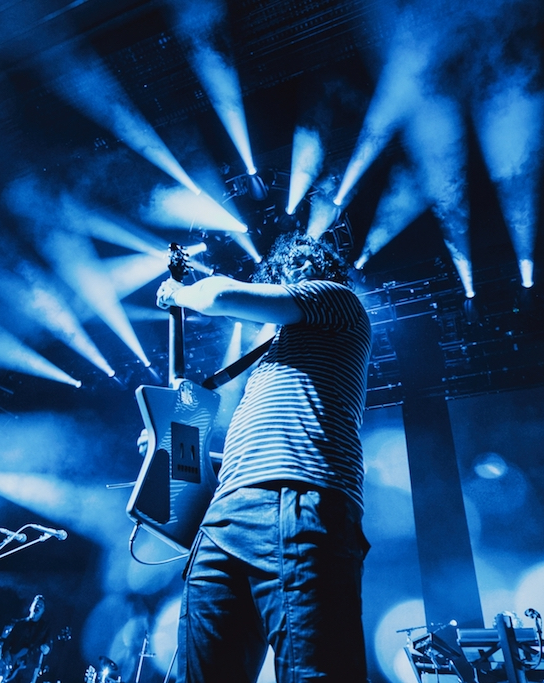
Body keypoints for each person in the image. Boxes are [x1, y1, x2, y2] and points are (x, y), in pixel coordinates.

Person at [155, 231, 373, 683]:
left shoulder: (337, 300)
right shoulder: (274, 353)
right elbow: (246, 454)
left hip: (299, 497)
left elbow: (217, 296)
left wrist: (177, 291)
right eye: (288, 266)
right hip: (226, 516)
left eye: (305, 263)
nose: (296, 270)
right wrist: (178, 450)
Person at [0, 595, 50, 683]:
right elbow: (8, 640)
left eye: (41, 606)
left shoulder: (44, 628)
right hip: (12, 664)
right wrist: (6, 653)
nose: (38, 606)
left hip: (28, 668)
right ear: (31, 606)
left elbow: (48, 643)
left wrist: (47, 648)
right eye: (36, 604)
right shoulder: (20, 624)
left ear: (43, 611)